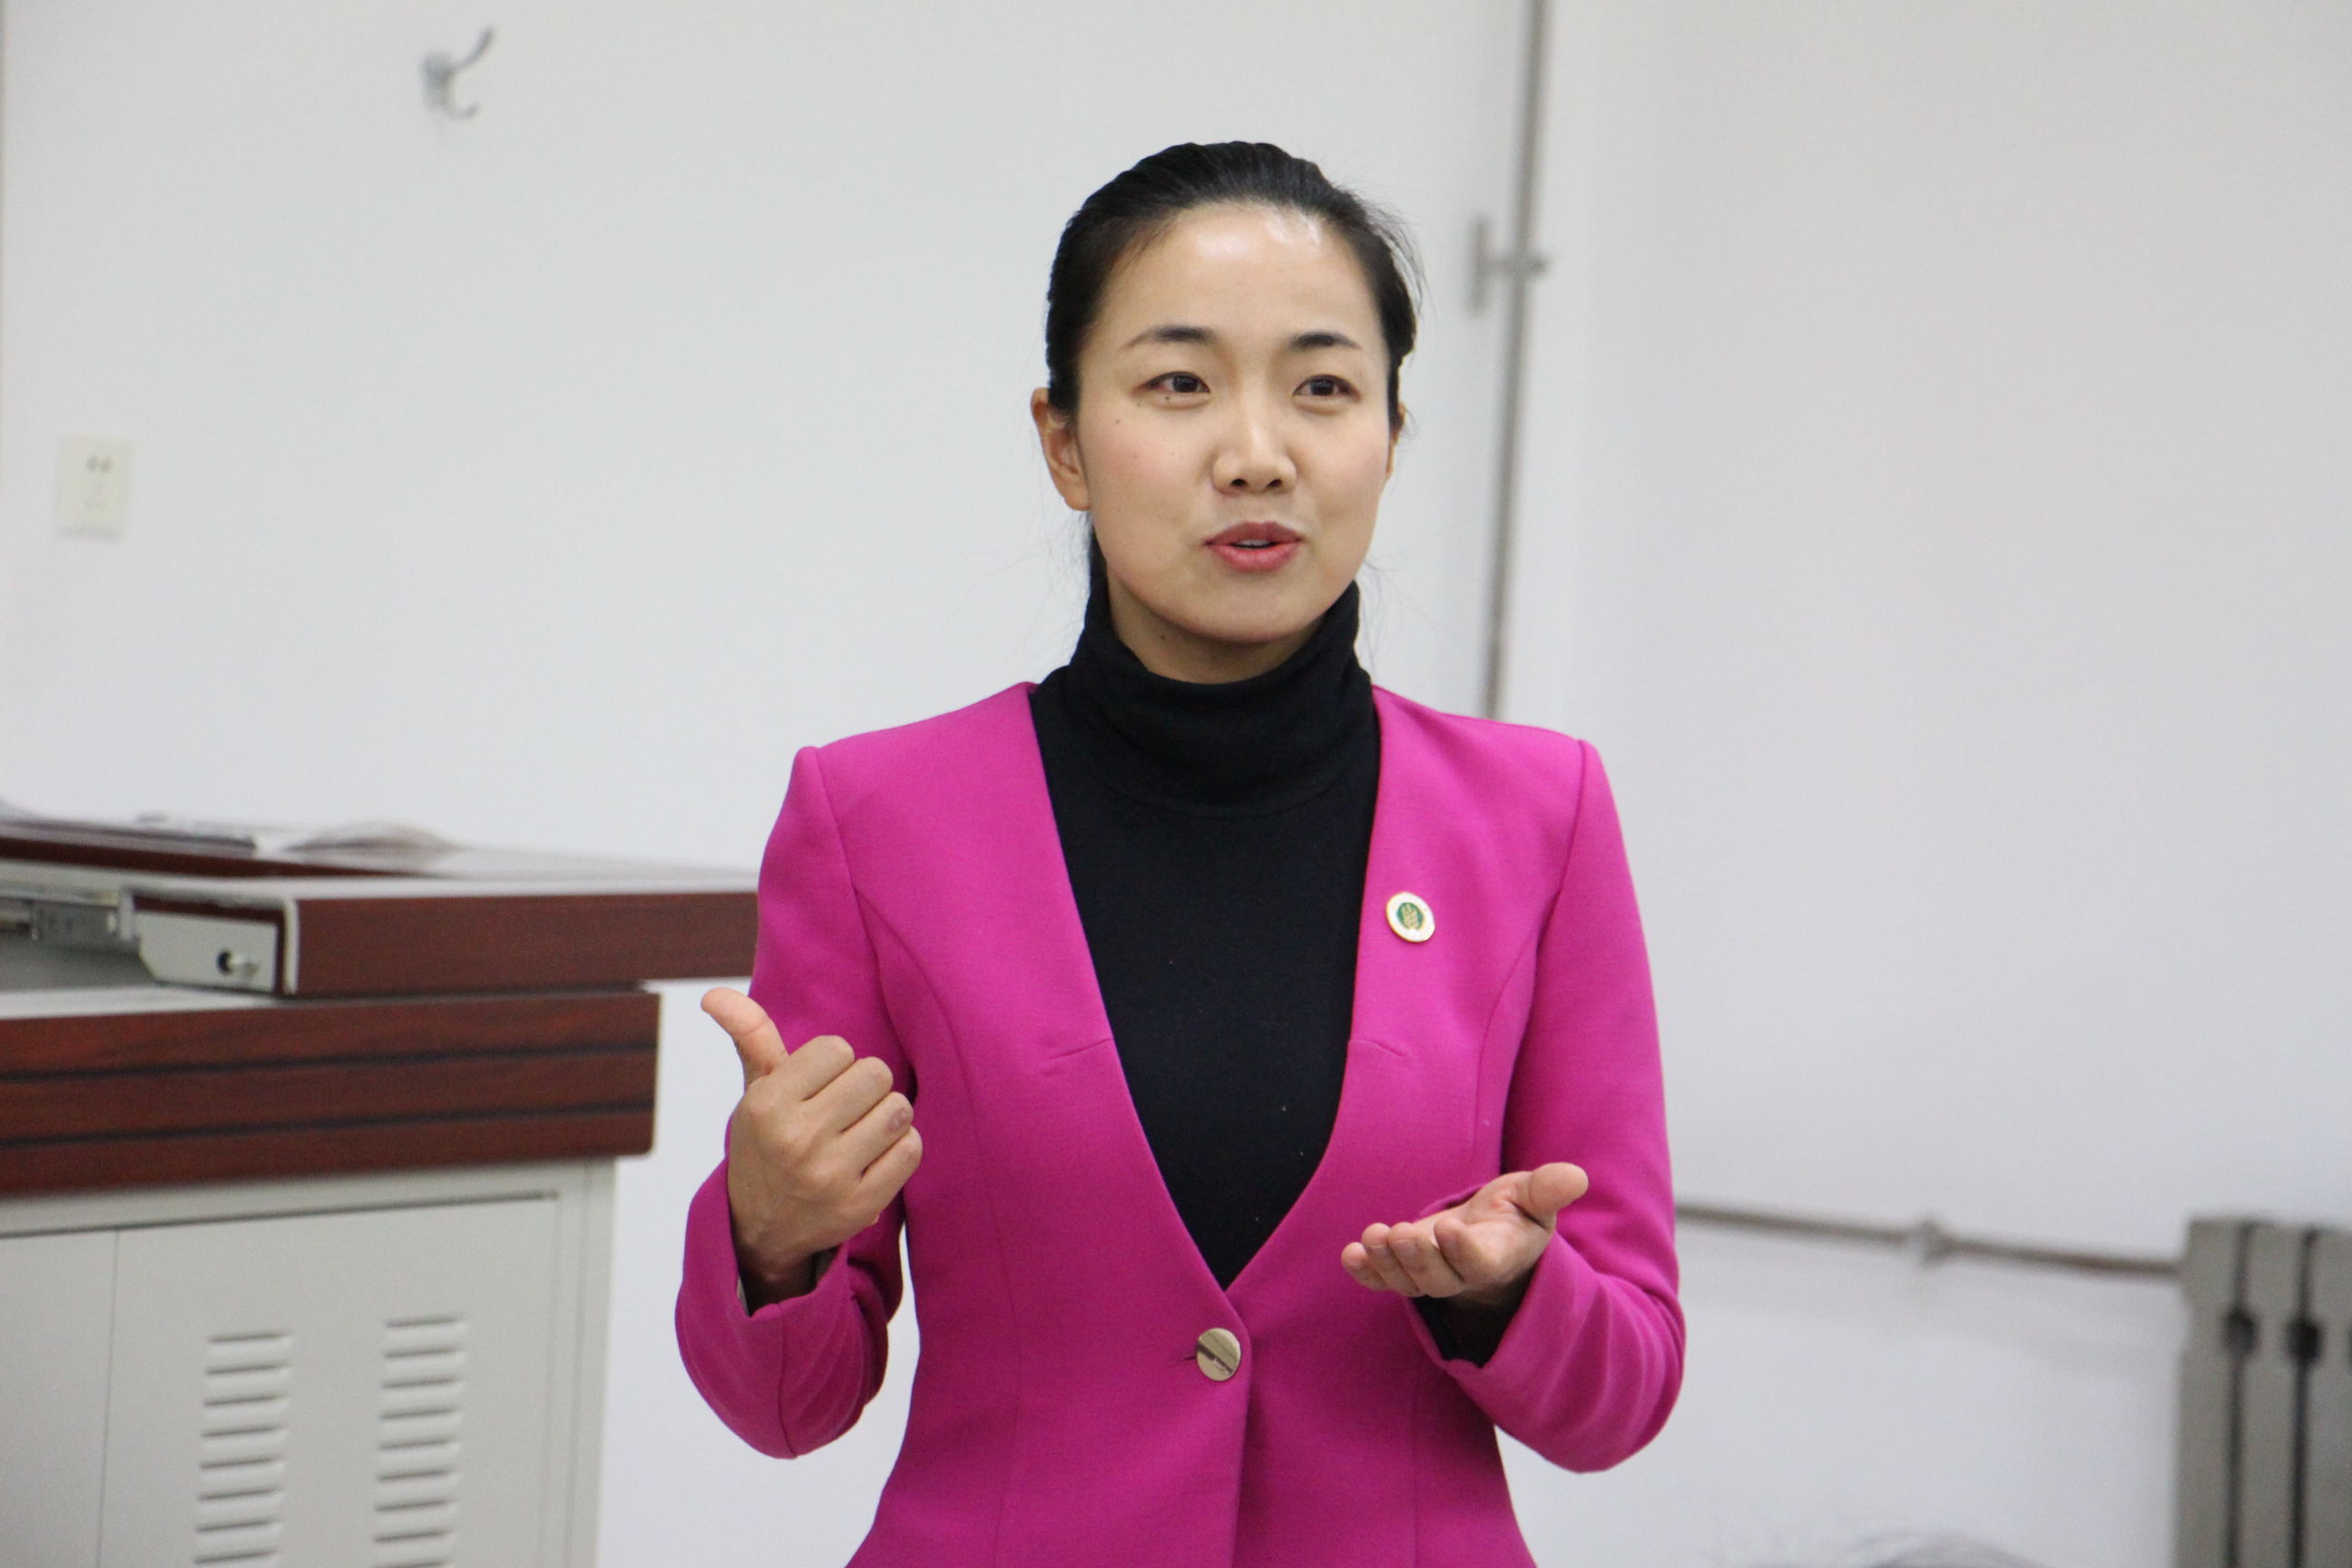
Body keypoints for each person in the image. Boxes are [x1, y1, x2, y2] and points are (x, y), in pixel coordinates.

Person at [676, 141, 1682, 1566]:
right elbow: (789, 1406)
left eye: (1322, 388)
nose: (1257, 453)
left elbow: (1626, 1391)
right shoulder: (875, 820)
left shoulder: (1539, 817)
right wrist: (767, 1234)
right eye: (1179, 384)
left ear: (1391, 434)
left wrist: (1509, 1294)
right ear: (1065, 443)